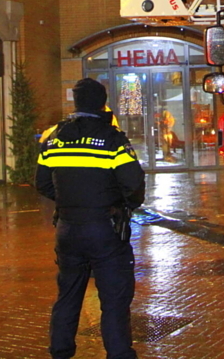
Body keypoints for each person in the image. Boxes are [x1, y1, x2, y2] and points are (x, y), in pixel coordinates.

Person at [36, 78, 146, 359]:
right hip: (105, 230)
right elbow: (133, 184)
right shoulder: (112, 139)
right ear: (101, 102)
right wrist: (122, 206)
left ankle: (60, 352)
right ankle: (119, 354)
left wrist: (69, 203)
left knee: (68, 294)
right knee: (114, 299)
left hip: (67, 229)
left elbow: (42, 183)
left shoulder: (55, 138)